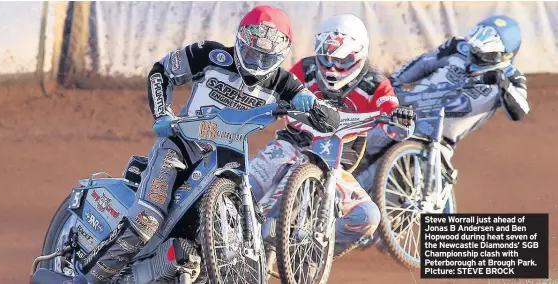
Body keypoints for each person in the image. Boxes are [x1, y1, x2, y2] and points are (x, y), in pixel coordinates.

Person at [71, 5, 341, 284]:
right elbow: (161, 70)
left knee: (210, 248)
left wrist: (313, 105)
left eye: (265, 58)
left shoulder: (285, 82)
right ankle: (84, 278)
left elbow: (331, 121)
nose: (256, 63)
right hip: (181, 147)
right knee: (147, 220)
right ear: (239, 41)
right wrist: (163, 113)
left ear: (280, 56)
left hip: (230, 160)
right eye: (250, 53)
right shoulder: (211, 55)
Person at [353, 15, 530, 253]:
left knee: (399, 191)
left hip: (442, 141)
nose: (475, 56)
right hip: (407, 114)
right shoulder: (457, 47)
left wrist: (502, 81)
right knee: (363, 147)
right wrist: (393, 83)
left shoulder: (511, 76)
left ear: (504, 56)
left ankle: (385, 229)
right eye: (475, 48)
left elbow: (518, 111)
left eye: (484, 54)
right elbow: (424, 63)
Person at [250, 14, 416, 259]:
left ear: (359, 55)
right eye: (326, 59)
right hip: (291, 144)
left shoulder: (375, 84)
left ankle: (309, 255)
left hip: (335, 163)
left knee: (367, 217)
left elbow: (393, 116)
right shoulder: (305, 69)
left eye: (342, 61)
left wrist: (400, 120)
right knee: (245, 187)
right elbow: (274, 92)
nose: (332, 68)